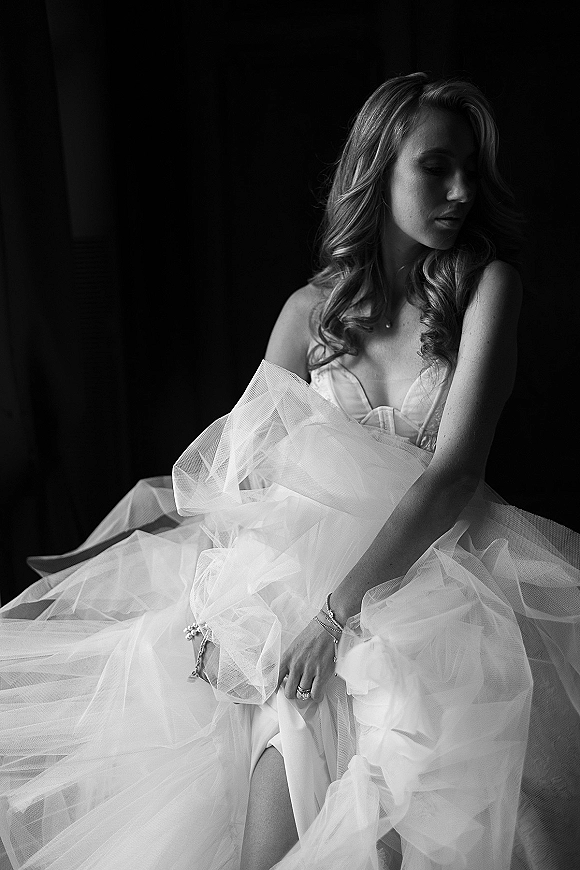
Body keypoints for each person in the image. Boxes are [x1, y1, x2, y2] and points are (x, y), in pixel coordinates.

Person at [0, 73, 579, 870]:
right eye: (436, 167)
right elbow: (242, 472)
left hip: (436, 581)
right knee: (268, 777)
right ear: (377, 170)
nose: (460, 191)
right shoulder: (309, 314)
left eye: (471, 172)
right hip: (297, 577)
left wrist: (335, 615)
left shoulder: (486, 290)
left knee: (417, 762)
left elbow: (451, 476)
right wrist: (214, 598)